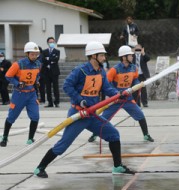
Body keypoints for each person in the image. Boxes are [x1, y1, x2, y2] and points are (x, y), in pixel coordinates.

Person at [33, 42, 136, 178]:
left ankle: (117, 167)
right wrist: (80, 100)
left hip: (92, 115)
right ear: (93, 56)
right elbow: (67, 85)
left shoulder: (101, 72)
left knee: (114, 135)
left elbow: (107, 88)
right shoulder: (80, 70)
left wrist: (119, 94)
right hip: (79, 115)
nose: (104, 58)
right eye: (102, 55)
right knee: (63, 145)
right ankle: (40, 168)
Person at [88, 45, 154, 143]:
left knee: (140, 115)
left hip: (128, 99)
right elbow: (107, 83)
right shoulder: (115, 69)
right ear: (124, 57)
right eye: (130, 55)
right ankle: (94, 134)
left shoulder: (134, 68)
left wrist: (138, 85)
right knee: (104, 118)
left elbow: (135, 79)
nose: (132, 57)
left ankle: (146, 135)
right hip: (115, 99)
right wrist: (115, 93)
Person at [0, 42, 41, 147]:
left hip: (32, 94)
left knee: (35, 116)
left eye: (36, 54)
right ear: (27, 54)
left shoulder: (38, 64)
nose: (34, 56)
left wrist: (36, 81)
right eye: (32, 54)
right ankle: (4, 137)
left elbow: (37, 75)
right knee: (12, 117)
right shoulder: (18, 64)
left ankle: (30, 138)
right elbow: (8, 76)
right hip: (19, 94)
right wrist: (17, 83)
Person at [42, 37, 60, 108]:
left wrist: (48, 58)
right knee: (48, 88)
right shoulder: (44, 51)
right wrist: (51, 59)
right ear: (47, 43)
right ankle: (50, 102)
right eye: (50, 42)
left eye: (52, 42)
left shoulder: (57, 51)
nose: (51, 43)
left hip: (55, 72)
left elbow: (56, 59)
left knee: (56, 88)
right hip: (46, 72)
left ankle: (57, 102)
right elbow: (43, 60)